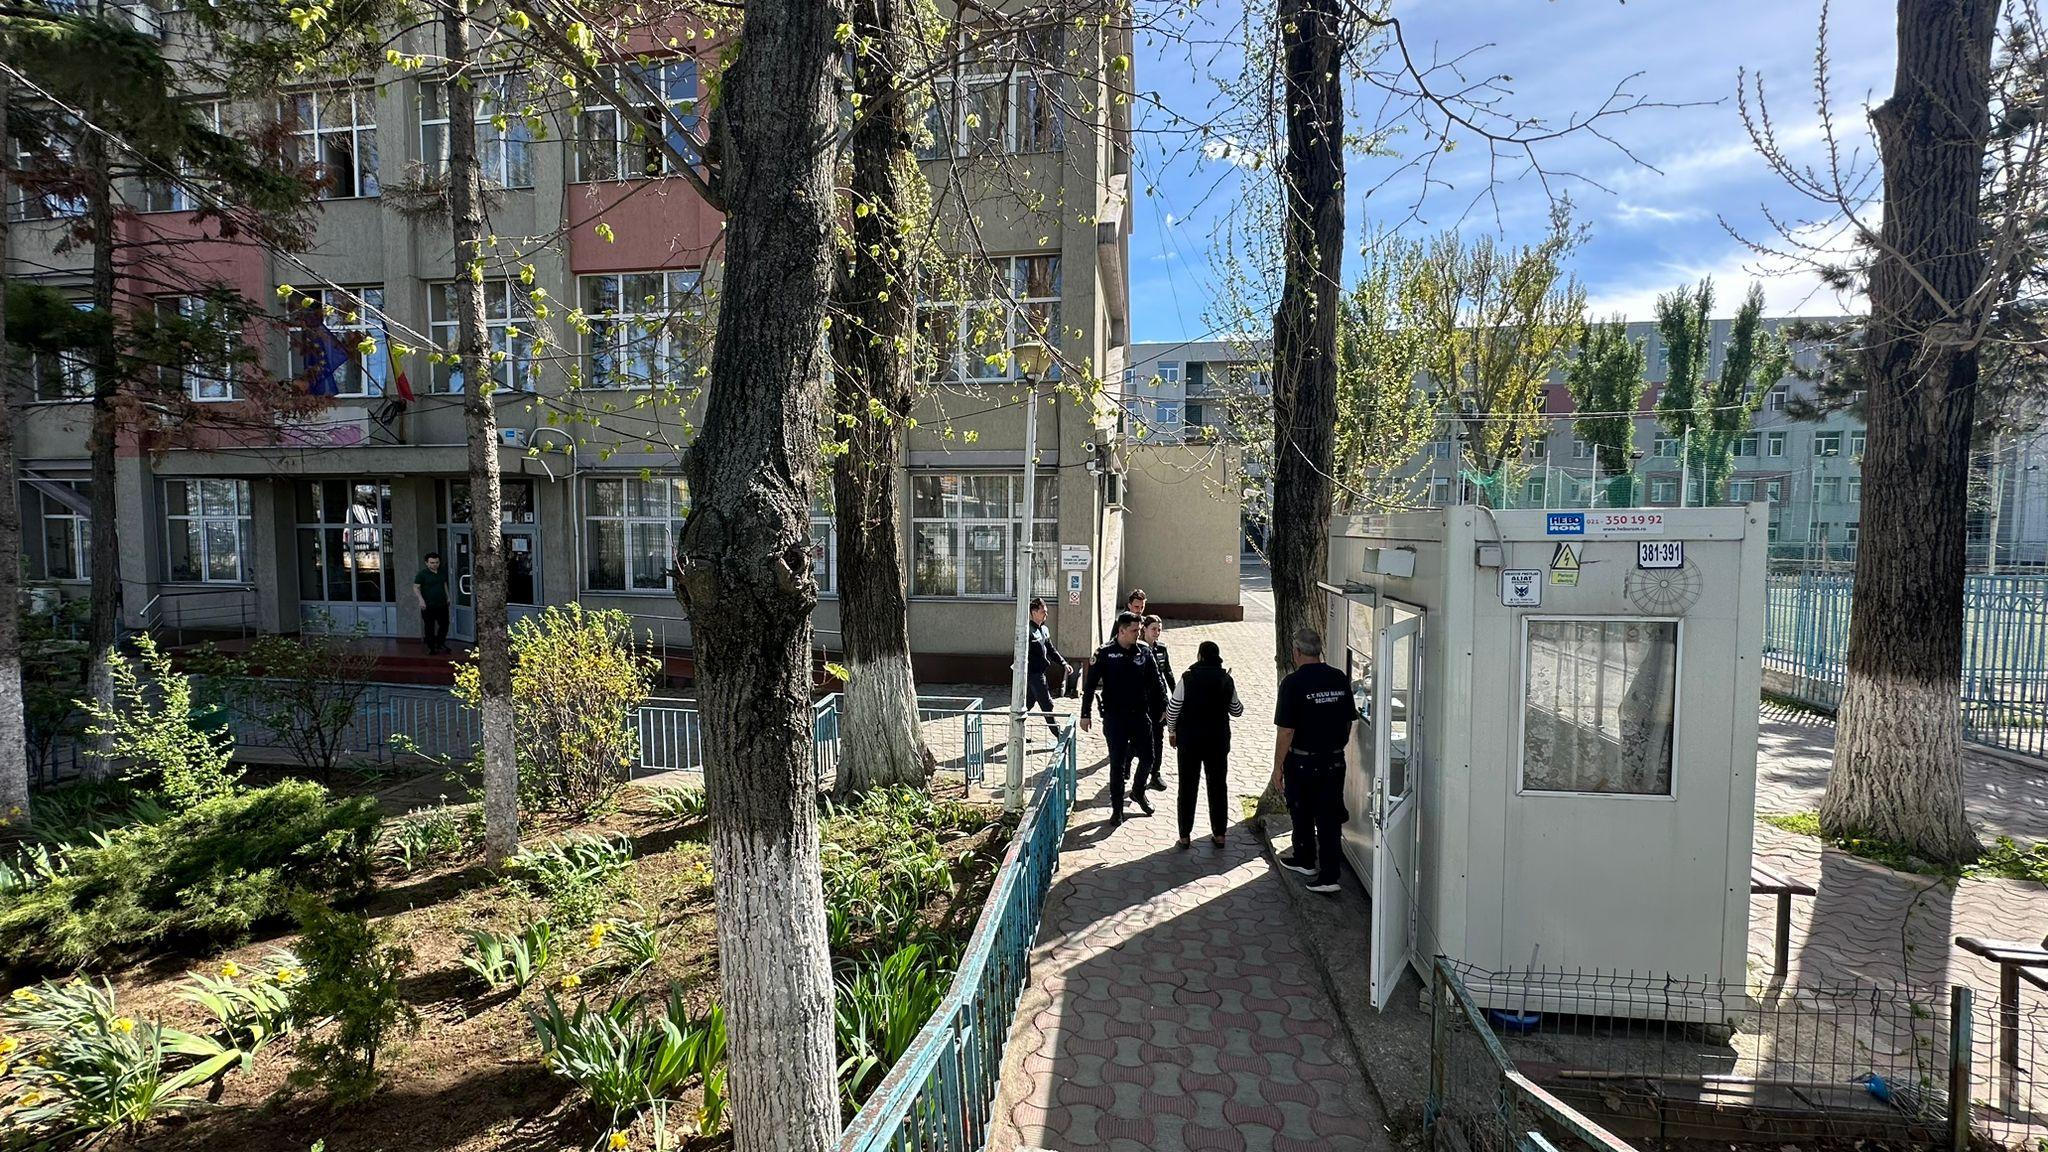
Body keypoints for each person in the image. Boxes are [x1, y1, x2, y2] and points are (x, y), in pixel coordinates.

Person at [1270, 628, 1354, 894]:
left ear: (1296, 652)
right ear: (1318, 651)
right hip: (1334, 760)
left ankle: (1310, 863)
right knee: (1329, 817)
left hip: (1303, 761)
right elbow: (1348, 719)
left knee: (1301, 811)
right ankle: (1324, 870)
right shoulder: (1338, 677)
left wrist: (1277, 766)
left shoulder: (1293, 683)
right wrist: (1337, 745)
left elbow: (1286, 730)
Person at [1080, 611, 1166, 826]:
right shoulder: (1104, 653)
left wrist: (1164, 707)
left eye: (1139, 630)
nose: (1138, 634)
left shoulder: (1144, 651)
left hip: (1140, 715)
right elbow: (1090, 686)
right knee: (1117, 765)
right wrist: (1085, 714)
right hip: (1115, 718)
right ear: (1122, 631)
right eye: (1135, 630)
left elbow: (1156, 682)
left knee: (1148, 758)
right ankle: (1117, 809)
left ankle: (1138, 791)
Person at [1165, 640, 1243, 848]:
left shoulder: (1188, 678)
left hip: (1190, 741)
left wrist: (1172, 731)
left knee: (1187, 787)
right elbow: (1236, 710)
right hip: (1217, 741)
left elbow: (1173, 708)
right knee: (1218, 786)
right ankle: (1220, 834)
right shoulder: (1226, 679)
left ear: (1200, 656)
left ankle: (1184, 836)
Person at [1024, 596, 1069, 738]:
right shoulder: (1027, 631)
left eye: (1046, 611)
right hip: (1033, 674)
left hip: (1040, 672)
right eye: (1043, 611)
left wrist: (1063, 663)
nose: (1046, 614)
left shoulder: (1044, 630)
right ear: (1034, 612)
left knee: (1027, 704)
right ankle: (1059, 735)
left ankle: (1016, 733)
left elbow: (1051, 649)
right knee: (1047, 704)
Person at [1140, 614, 1175, 792]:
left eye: (1159, 629)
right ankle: (1128, 768)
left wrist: (1175, 695)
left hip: (1159, 701)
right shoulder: (1138, 648)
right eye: (1153, 629)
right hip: (1141, 701)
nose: (1156, 632)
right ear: (1144, 629)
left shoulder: (1161, 648)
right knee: (1138, 738)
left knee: (1158, 738)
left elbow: (1167, 673)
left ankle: (1155, 773)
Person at [414, 552, 451, 655]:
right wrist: (421, 600)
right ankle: (431, 647)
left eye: (437, 562)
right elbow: (416, 587)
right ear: (427, 563)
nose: (435, 564)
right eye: (432, 562)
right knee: (429, 626)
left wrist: (448, 597)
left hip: (442, 604)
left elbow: (444, 584)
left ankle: (440, 643)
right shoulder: (422, 574)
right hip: (428, 605)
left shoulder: (441, 572)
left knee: (444, 624)